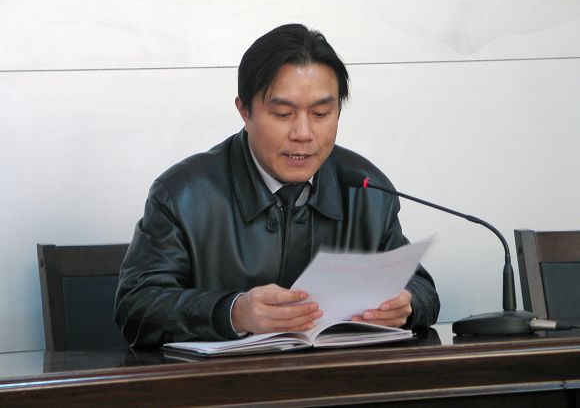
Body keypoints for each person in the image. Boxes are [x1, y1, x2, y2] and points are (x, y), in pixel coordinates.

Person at [114, 24, 440, 347]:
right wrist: (233, 312)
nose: (303, 134)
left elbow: (422, 289)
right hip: (225, 380)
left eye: (321, 113)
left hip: (335, 375)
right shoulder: (182, 194)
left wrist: (406, 304)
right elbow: (136, 307)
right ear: (245, 110)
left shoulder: (367, 189)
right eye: (283, 114)